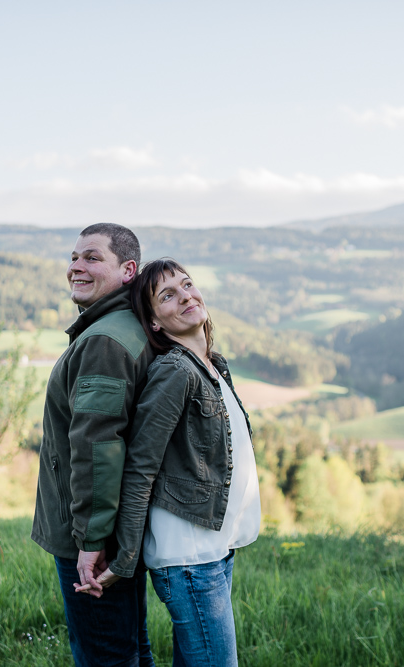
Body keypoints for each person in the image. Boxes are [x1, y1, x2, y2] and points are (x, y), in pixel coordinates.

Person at [82, 258, 261, 667]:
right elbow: (139, 468)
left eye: (187, 285)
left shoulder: (213, 365)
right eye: (167, 296)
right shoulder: (174, 372)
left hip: (212, 550)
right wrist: (126, 556)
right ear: (154, 323)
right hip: (189, 558)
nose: (185, 296)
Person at [30, 223, 156, 667]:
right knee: (130, 647)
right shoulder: (121, 326)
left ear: (128, 270)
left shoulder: (104, 341)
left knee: (105, 657)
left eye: (92, 258)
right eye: (74, 257)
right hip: (113, 528)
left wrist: (90, 539)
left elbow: (98, 447)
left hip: (92, 535)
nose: (76, 267)